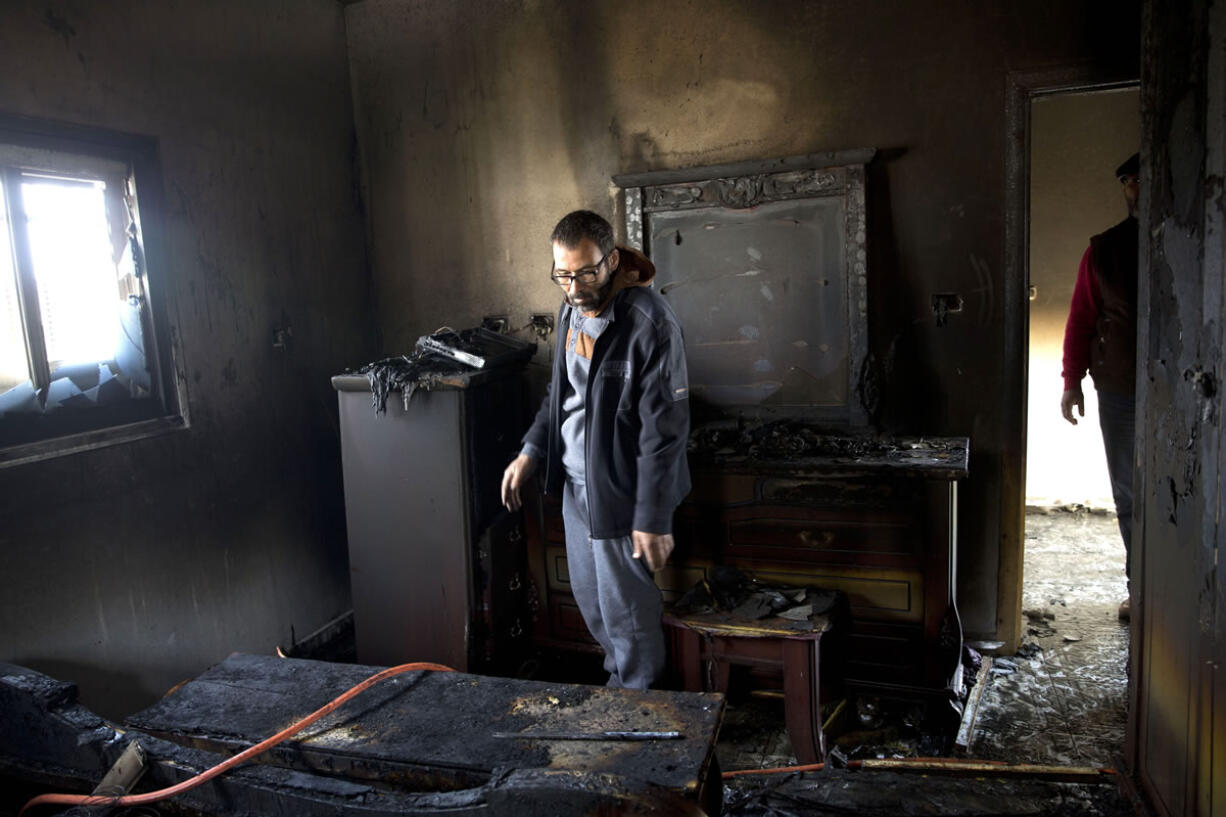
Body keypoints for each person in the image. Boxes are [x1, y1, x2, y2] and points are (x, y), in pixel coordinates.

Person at [501, 209, 691, 689]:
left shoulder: (649, 322)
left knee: (626, 606)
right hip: (575, 484)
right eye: (563, 274)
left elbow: (663, 430)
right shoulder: (570, 311)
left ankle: (641, 703)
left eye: (585, 272)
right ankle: (621, 685)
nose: (573, 285)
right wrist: (530, 450)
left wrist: (652, 515)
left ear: (611, 260)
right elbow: (559, 396)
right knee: (593, 601)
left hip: (622, 488)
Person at [1059, 152, 1139, 620]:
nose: (1136, 189)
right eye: (1129, 181)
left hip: (1184, 394)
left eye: (1144, 180)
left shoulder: (1193, 239)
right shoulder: (1103, 250)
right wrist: (1072, 382)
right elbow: (1081, 320)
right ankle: (1142, 588)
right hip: (1121, 391)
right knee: (1130, 493)